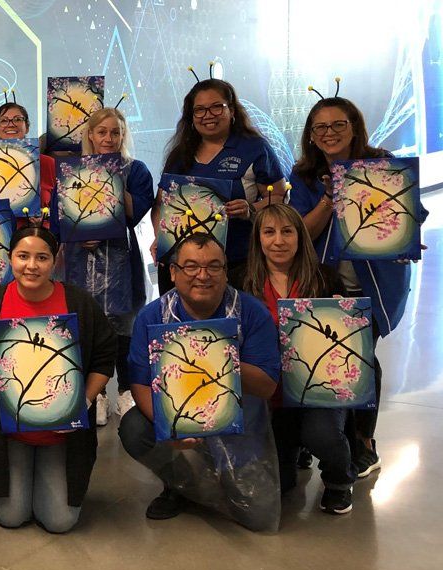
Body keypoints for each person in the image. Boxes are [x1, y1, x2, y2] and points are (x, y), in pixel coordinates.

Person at [287, 95, 422, 479]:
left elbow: (408, 212)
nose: (329, 134)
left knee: (362, 358)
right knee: (326, 356)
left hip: (373, 282)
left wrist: (407, 233)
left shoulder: (381, 164)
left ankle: (363, 442)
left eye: (337, 125)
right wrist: (331, 198)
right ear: (311, 136)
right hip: (323, 283)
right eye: (320, 128)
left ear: (354, 127)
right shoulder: (305, 176)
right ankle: (330, 439)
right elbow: (302, 232)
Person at [118, 233, 282, 531]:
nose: (202, 276)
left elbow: (267, 385)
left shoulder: (251, 312)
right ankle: (178, 484)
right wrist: (167, 428)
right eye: (191, 266)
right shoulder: (152, 316)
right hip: (179, 416)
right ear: (173, 272)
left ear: (225, 270)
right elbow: (140, 382)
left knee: (259, 516)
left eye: (213, 267)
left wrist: (217, 357)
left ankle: (218, 479)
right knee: (134, 428)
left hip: (241, 420)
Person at [0, 227, 116, 533]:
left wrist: (82, 403)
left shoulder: (79, 304)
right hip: (10, 433)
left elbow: (104, 358)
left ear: (55, 261)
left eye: (41, 257)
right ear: (9, 259)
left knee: (60, 521)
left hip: (62, 434)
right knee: (11, 516)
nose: (31, 265)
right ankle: (20, 479)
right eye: (23, 256)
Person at [241, 204, 356, 514]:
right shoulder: (242, 284)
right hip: (269, 394)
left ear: (300, 237)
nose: (278, 240)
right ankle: (294, 450)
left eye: (287, 231)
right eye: (269, 232)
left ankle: (339, 481)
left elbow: (348, 341)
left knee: (324, 436)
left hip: (317, 389)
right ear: (258, 239)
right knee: (282, 484)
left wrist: (343, 317)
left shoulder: (325, 279)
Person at [59, 108, 155, 424]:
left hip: (120, 258)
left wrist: (112, 177)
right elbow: (63, 215)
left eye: (115, 132)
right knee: (85, 324)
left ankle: (126, 390)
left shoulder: (137, 170)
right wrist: (79, 234)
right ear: (90, 135)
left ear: (123, 135)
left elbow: (137, 212)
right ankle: (95, 395)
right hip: (79, 258)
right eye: (102, 132)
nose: (109, 138)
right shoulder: (71, 170)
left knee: (124, 326)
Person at [158, 78, 286, 290]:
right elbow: (161, 204)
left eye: (217, 107)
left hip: (239, 262)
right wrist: (160, 241)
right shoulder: (180, 154)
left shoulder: (254, 148)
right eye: (199, 110)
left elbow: (280, 197)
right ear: (191, 116)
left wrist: (250, 209)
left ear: (232, 110)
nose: (208, 115)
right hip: (186, 266)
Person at [0, 101, 57, 216]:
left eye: (18, 119)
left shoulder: (47, 163)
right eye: (4, 120)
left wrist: (46, 216)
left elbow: (59, 207)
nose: (11, 124)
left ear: (27, 127)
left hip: (39, 231)